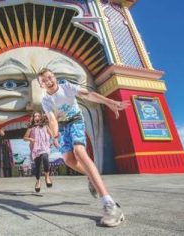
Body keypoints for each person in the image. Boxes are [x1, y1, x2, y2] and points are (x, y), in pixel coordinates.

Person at [38, 68, 130, 227]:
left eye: (50, 77)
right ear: (41, 85)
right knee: (68, 160)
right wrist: (54, 135)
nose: (48, 81)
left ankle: (110, 205)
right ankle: (91, 176)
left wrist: (109, 102)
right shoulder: (46, 100)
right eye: (44, 81)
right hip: (63, 126)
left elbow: (88, 94)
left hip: (76, 120)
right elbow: (52, 119)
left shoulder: (66, 86)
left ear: (54, 77)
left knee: (79, 151)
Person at [24, 111, 57, 192]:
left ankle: (47, 177)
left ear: (41, 117)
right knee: (38, 166)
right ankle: (38, 181)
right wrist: (30, 139)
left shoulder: (45, 126)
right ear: (33, 118)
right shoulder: (31, 127)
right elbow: (24, 137)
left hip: (44, 147)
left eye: (38, 116)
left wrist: (54, 140)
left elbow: (52, 135)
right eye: (35, 116)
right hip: (35, 149)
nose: (37, 117)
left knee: (45, 158)